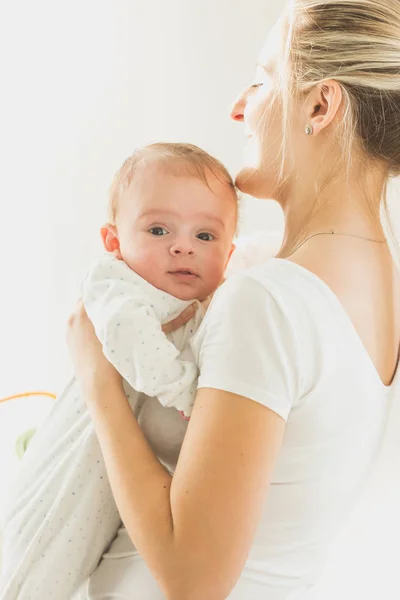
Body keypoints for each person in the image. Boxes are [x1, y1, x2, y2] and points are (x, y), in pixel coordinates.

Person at [64, 1, 400, 599]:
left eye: (265, 77)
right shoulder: (373, 285)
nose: (239, 107)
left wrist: (99, 382)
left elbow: (193, 580)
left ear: (320, 106)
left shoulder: (269, 301)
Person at [0, 142, 238, 600]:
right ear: (114, 243)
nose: (182, 245)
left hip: (115, 468)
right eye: (158, 229)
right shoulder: (117, 285)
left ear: (228, 256)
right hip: (75, 459)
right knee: (38, 566)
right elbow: (137, 347)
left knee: (75, 560)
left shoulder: (209, 304)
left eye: (205, 237)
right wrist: (191, 396)